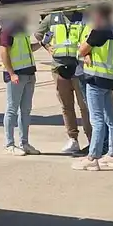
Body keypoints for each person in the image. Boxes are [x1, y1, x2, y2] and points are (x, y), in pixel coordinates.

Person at [73, 3, 113, 170]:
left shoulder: (99, 29)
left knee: (97, 119)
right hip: (110, 77)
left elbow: (82, 50)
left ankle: (93, 157)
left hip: (95, 77)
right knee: (111, 118)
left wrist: (86, 53)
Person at [36, 8, 90, 153]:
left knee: (85, 106)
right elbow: (38, 35)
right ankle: (73, 139)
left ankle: (92, 139)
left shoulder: (83, 17)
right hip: (59, 67)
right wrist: (47, 46)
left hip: (79, 67)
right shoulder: (52, 18)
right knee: (66, 106)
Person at [0, 12, 39, 153]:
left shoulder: (23, 30)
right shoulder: (8, 28)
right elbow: (4, 51)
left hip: (29, 73)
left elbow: (28, 49)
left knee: (26, 110)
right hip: (16, 75)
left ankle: (24, 143)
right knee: (12, 109)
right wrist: (11, 73)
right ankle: (9, 144)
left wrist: (41, 43)